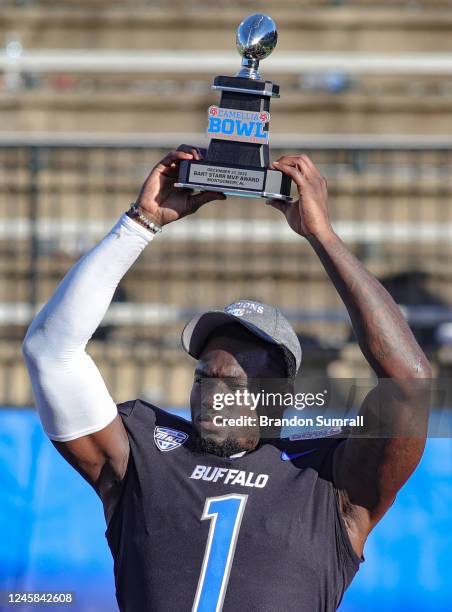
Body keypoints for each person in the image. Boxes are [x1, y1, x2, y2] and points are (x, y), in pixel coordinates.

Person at [22, 146, 431, 612]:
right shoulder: (143, 452)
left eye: (234, 385)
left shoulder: (328, 479)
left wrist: (323, 236)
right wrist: (140, 223)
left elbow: (410, 383)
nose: (213, 396)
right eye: (204, 379)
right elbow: (50, 353)